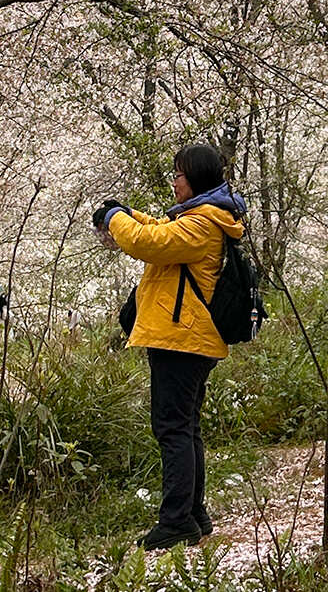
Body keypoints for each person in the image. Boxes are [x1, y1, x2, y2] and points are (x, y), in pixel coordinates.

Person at [92, 144, 246, 550]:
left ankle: (176, 521)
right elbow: (159, 229)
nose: (174, 181)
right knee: (186, 427)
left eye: (178, 175)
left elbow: (149, 242)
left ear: (194, 179)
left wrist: (115, 219)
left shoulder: (202, 225)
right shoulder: (202, 219)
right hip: (189, 339)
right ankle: (193, 515)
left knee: (173, 428)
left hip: (182, 339)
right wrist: (125, 212)